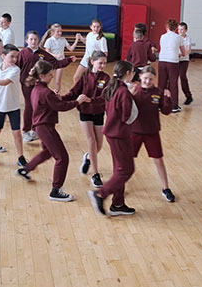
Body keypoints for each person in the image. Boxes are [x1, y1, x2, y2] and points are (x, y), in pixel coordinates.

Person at [16, 60, 90, 202]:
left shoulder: (37, 88)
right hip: (45, 127)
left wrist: (54, 97)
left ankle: (25, 169)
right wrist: (78, 101)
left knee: (48, 152)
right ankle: (56, 190)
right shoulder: (45, 92)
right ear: (42, 76)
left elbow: (51, 102)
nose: (52, 77)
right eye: (50, 75)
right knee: (62, 157)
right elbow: (61, 106)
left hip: (39, 125)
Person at [87, 61, 139, 217]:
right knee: (127, 170)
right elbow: (126, 116)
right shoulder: (124, 92)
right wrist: (132, 96)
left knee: (119, 169)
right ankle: (101, 194)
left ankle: (118, 204)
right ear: (128, 73)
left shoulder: (113, 87)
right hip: (119, 134)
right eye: (133, 72)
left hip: (111, 133)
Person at [61, 51, 109, 188]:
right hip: (85, 112)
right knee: (92, 142)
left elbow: (105, 97)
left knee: (98, 146)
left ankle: (88, 158)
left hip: (99, 112)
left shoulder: (106, 78)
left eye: (105, 63)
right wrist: (61, 98)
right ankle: (95, 174)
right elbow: (74, 92)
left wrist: (90, 100)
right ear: (92, 62)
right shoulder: (85, 76)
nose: (103, 65)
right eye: (100, 63)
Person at [17, 31, 75, 143]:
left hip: (39, 85)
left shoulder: (42, 54)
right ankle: (25, 130)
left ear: (38, 40)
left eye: (35, 39)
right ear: (26, 41)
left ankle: (35, 129)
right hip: (27, 84)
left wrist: (68, 60)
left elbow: (56, 63)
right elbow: (15, 67)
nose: (33, 41)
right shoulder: (23, 53)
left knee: (38, 107)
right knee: (29, 106)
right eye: (31, 39)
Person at [130, 66, 176, 202]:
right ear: (140, 77)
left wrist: (168, 99)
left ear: (154, 79)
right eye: (145, 78)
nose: (147, 81)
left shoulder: (158, 92)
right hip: (134, 131)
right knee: (126, 160)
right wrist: (130, 95)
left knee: (158, 160)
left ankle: (165, 188)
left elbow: (166, 111)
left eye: (150, 79)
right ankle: (119, 185)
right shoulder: (134, 90)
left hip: (152, 132)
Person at [41, 23, 82, 93]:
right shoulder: (49, 40)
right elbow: (47, 52)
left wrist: (76, 40)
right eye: (58, 31)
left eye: (61, 31)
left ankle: (56, 93)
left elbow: (71, 49)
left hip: (60, 62)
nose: (60, 33)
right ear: (52, 32)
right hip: (50, 62)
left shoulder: (63, 39)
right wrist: (55, 55)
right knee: (46, 79)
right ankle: (45, 93)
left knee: (57, 81)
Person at [158, 19, 185, 112]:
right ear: (176, 28)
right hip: (173, 61)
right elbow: (183, 52)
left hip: (162, 60)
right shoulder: (179, 38)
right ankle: (174, 106)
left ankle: (159, 104)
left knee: (161, 83)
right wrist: (180, 54)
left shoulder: (162, 36)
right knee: (173, 83)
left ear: (167, 27)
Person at [73, 19, 108, 84]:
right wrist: (80, 37)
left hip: (94, 63)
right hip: (85, 60)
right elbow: (87, 42)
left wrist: (94, 58)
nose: (96, 28)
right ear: (91, 27)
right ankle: (77, 93)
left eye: (98, 27)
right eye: (94, 26)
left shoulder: (102, 39)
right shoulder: (89, 34)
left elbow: (105, 53)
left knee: (91, 81)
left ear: (100, 27)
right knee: (76, 77)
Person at [177, 22, 193, 106]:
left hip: (184, 60)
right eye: (179, 29)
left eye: (182, 29)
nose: (180, 31)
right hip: (175, 60)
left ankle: (188, 96)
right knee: (173, 78)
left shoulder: (188, 38)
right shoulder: (176, 37)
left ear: (186, 30)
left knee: (182, 76)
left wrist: (184, 54)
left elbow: (189, 49)